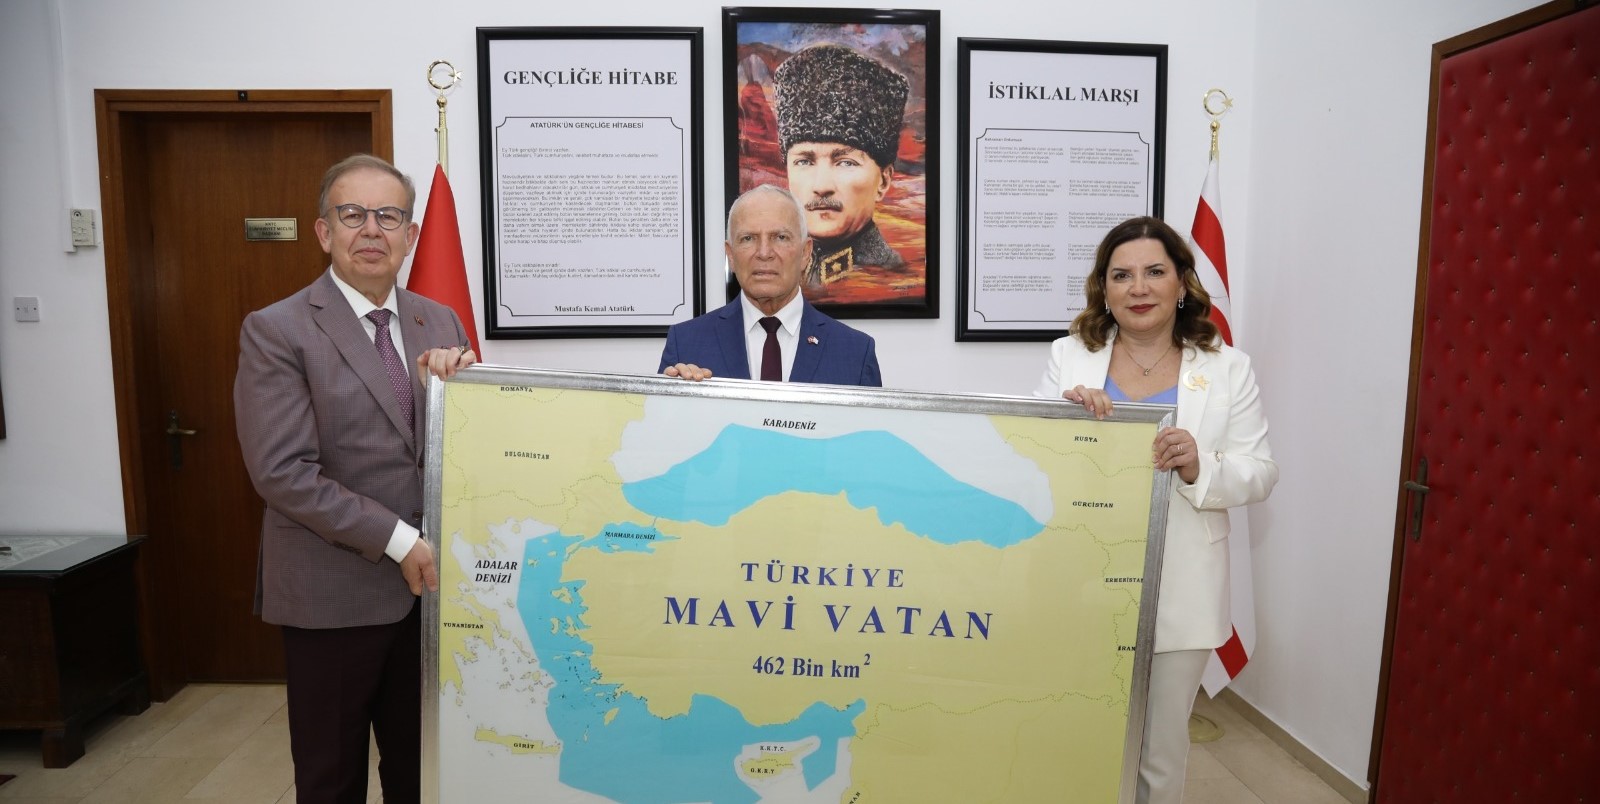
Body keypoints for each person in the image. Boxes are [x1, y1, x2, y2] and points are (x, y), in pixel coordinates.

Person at [234, 154, 477, 804]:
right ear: (324, 231)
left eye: (388, 216)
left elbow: (463, 447)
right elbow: (283, 471)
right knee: (331, 780)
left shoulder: (441, 322)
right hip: (331, 599)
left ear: (412, 235)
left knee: (421, 775)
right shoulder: (277, 330)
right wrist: (399, 540)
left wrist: (464, 394)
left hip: (429, 602)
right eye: (352, 214)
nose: (371, 229)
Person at [1032, 216, 1277, 804]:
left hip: (1181, 586)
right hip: (1083, 578)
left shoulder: (1228, 368)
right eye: (1121, 275)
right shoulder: (1069, 357)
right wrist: (1062, 425)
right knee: (1078, 738)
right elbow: (1032, 460)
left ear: (1182, 282)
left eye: (1154, 272)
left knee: (1159, 756)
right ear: (1103, 288)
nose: (1138, 288)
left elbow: (1260, 472)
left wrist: (1198, 466)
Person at [659, 184, 881, 386]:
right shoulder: (685, 344)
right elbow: (661, 418)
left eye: (781, 237)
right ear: (731, 256)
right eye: (748, 238)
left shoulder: (855, 353)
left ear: (806, 253)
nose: (764, 253)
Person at [772, 43, 909, 284]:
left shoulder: (888, 279)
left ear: (883, 181)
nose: (822, 186)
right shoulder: (777, 272)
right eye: (804, 161)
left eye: (845, 163)